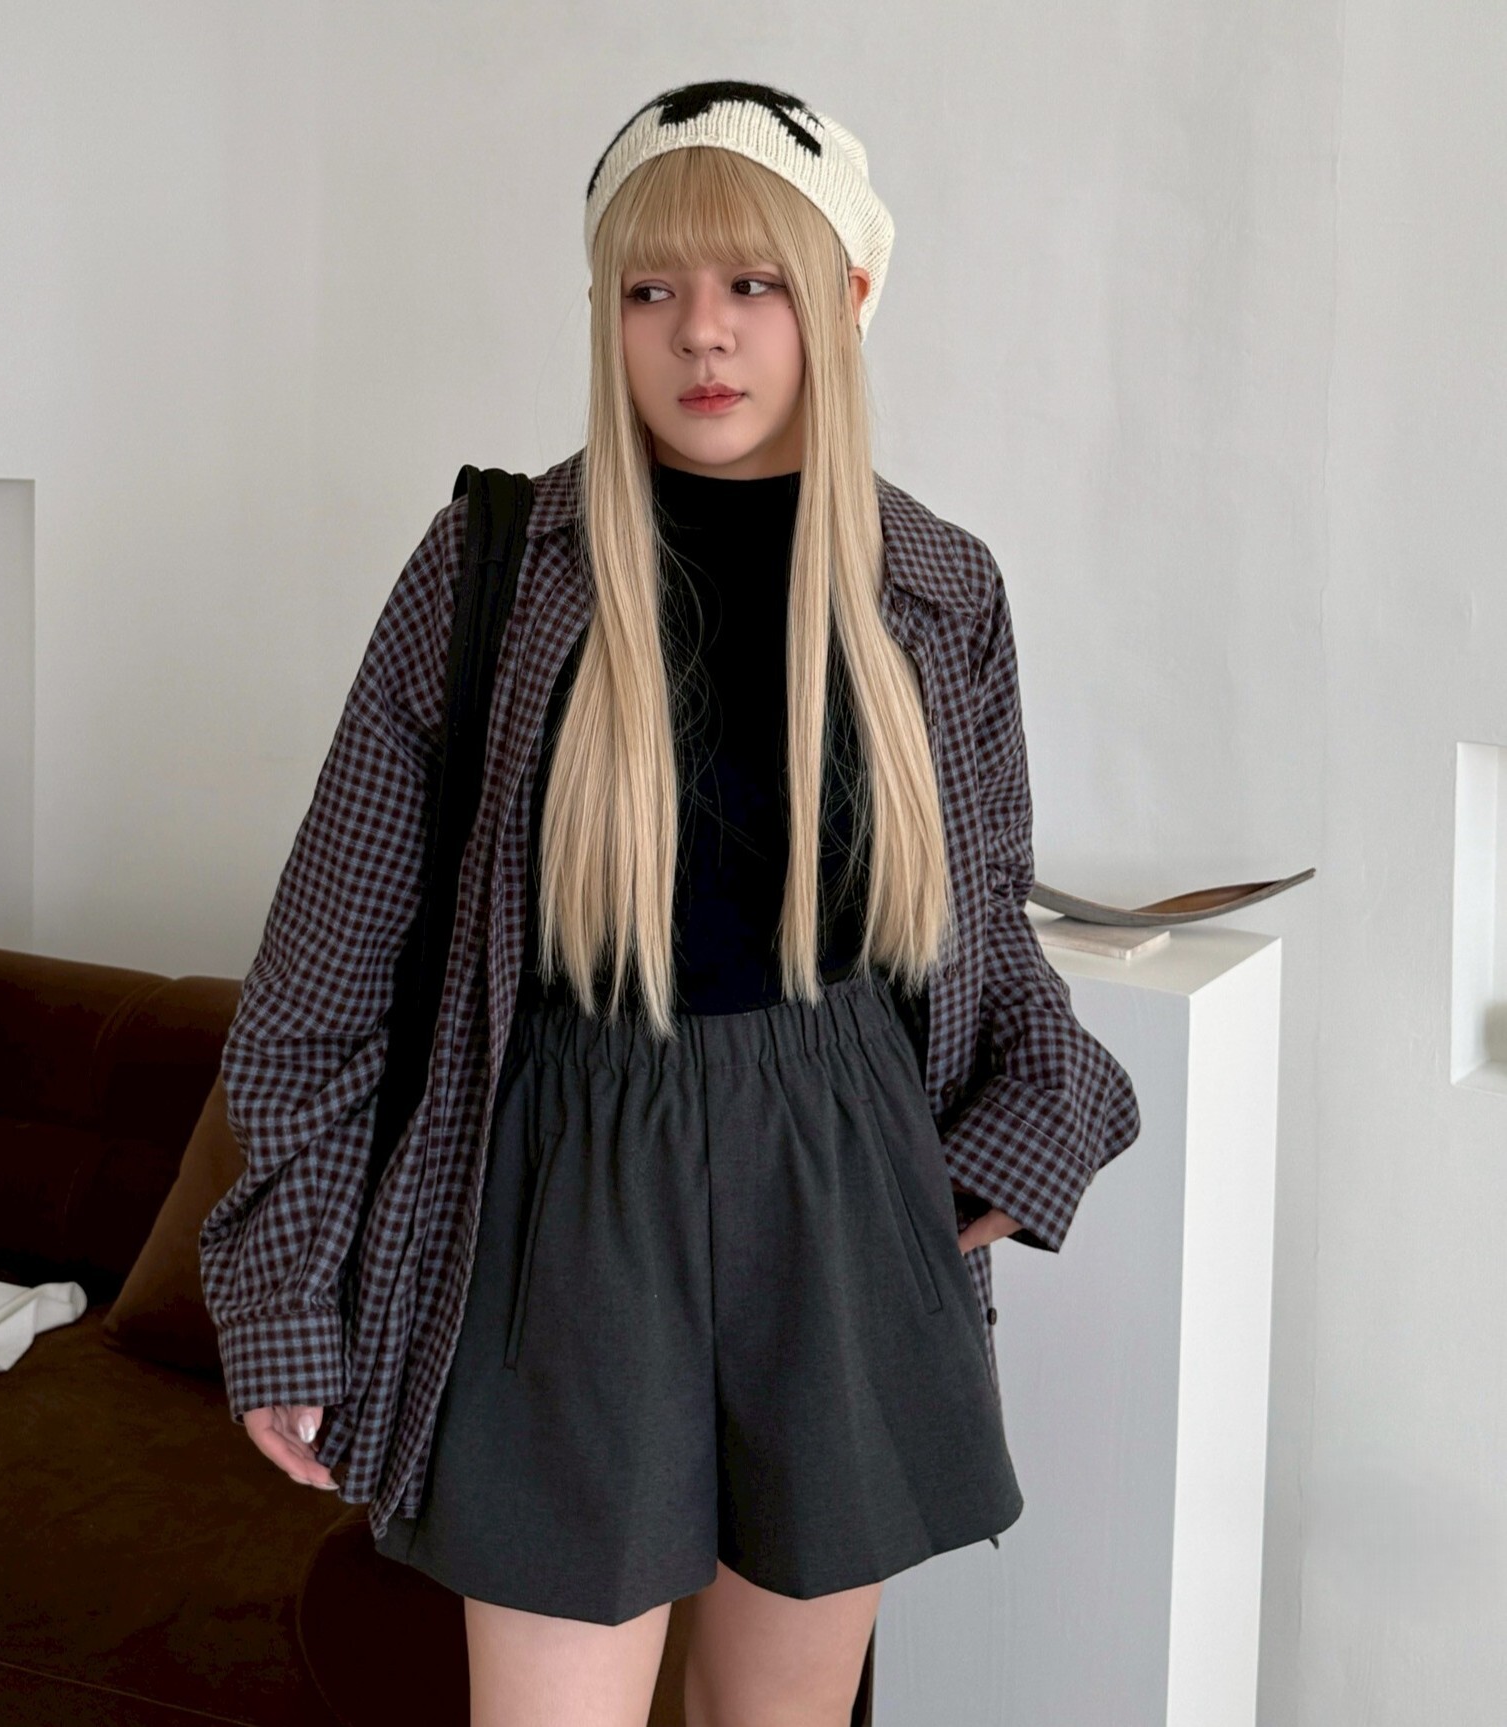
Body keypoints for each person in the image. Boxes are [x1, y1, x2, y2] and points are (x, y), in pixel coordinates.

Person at [200, 78, 1141, 1726]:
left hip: (840, 1172)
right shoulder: (490, 569)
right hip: (564, 1185)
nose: (702, 332)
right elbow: (320, 985)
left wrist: (1009, 1151)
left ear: (846, 296)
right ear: (604, 313)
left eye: (753, 283)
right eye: (652, 290)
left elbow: (983, 927)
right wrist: (287, 1304)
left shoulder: (936, 587)